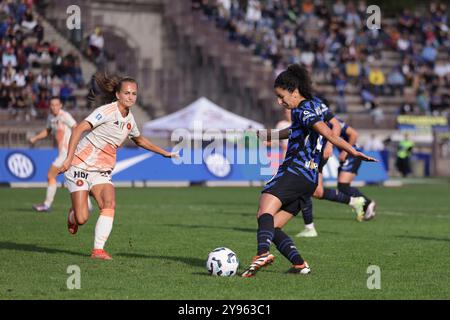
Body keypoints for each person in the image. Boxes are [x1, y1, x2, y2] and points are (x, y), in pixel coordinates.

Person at [242, 64, 377, 278]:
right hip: (309, 179)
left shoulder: (302, 109)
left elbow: (330, 135)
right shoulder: (311, 106)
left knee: (264, 212)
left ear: (294, 90)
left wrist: (353, 151)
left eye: (281, 96)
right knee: (273, 227)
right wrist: (268, 135)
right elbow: (295, 131)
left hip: (294, 172)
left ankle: (261, 253)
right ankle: (299, 264)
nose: (280, 102)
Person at [58, 73, 178, 260]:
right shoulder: (106, 111)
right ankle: (73, 213)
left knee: (109, 204)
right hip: (80, 166)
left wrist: (164, 152)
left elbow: (139, 140)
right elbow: (78, 128)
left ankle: (98, 250)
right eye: (127, 93)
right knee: (82, 218)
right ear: (117, 95)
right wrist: (68, 159)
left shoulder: (129, 120)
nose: (131, 97)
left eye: (134, 94)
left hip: (102, 173)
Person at [295, 98, 371, 238]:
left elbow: (339, 127)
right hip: (315, 155)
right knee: (317, 191)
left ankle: (309, 227)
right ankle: (354, 201)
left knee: (304, 187)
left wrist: (330, 145)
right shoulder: (308, 112)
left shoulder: (315, 112)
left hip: (317, 156)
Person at [29, 96, 79, 212]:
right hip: (63, 153)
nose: (54, 107)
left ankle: (47, 204)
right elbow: (47, 131)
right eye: (52, 105)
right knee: (75, 178)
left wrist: (73, 146)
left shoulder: (65, 116)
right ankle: (88, 205)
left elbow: (76, 127)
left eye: (56, 104)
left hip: (66, 153)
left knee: (51, 175)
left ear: (60, 105)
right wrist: (35, 138)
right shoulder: (51, 117)